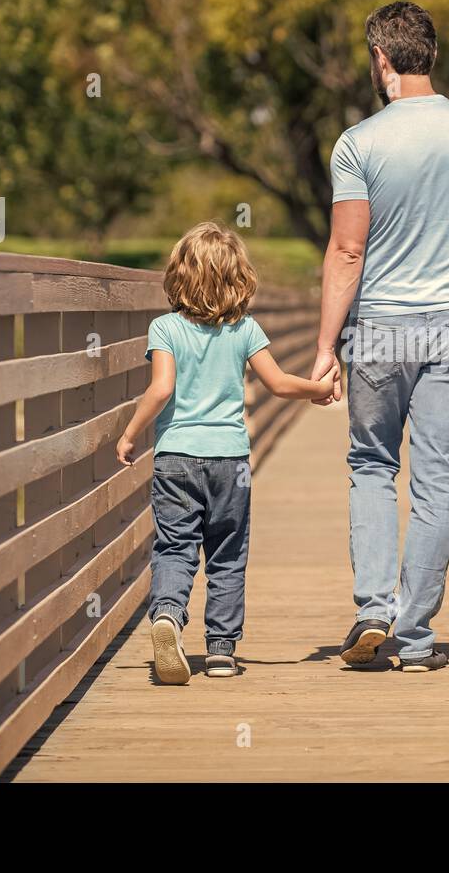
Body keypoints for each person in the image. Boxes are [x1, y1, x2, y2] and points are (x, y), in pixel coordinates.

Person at [310, 1, 449, 673]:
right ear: (428, 55)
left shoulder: (359, 143)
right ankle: (416, 637)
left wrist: (325, 346)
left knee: (374, 466)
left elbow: (347, 253)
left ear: (381, 59)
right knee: (436, 480)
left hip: (381, 327)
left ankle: (374, 609)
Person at [117, 221, 338, 684]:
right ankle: (220, 650)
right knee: (227, 554)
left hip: (176, 456)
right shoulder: (244, 329)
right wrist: (317, 389)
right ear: (239, 278)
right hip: (230, 462)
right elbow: (277, 384)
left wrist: (132, 433)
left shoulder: (165, 327)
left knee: (175, 546)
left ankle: (168, 616)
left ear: (178, 275)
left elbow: (160, 390)